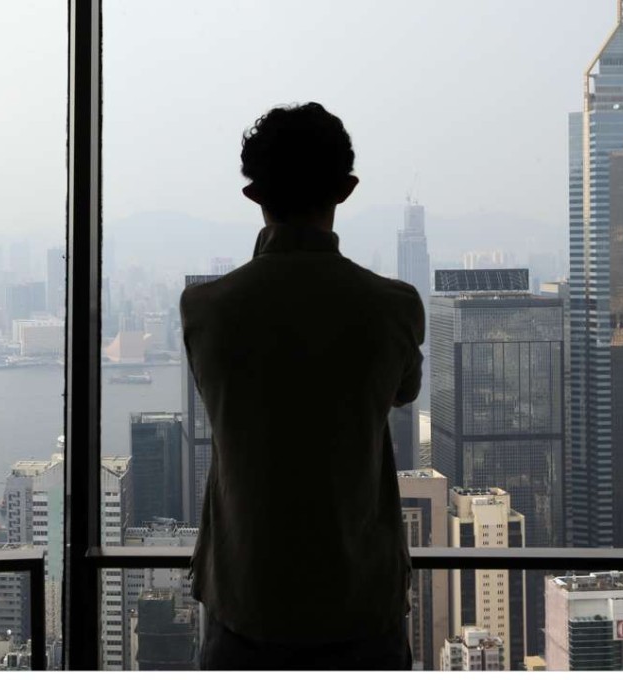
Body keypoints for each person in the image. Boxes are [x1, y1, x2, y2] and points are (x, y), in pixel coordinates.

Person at [180, 102, 423, 670]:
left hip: (244, 598)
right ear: (346, 189)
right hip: (360, 601)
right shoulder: (393, 306)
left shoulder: (206, 309)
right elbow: (402, 391)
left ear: (254, 196)